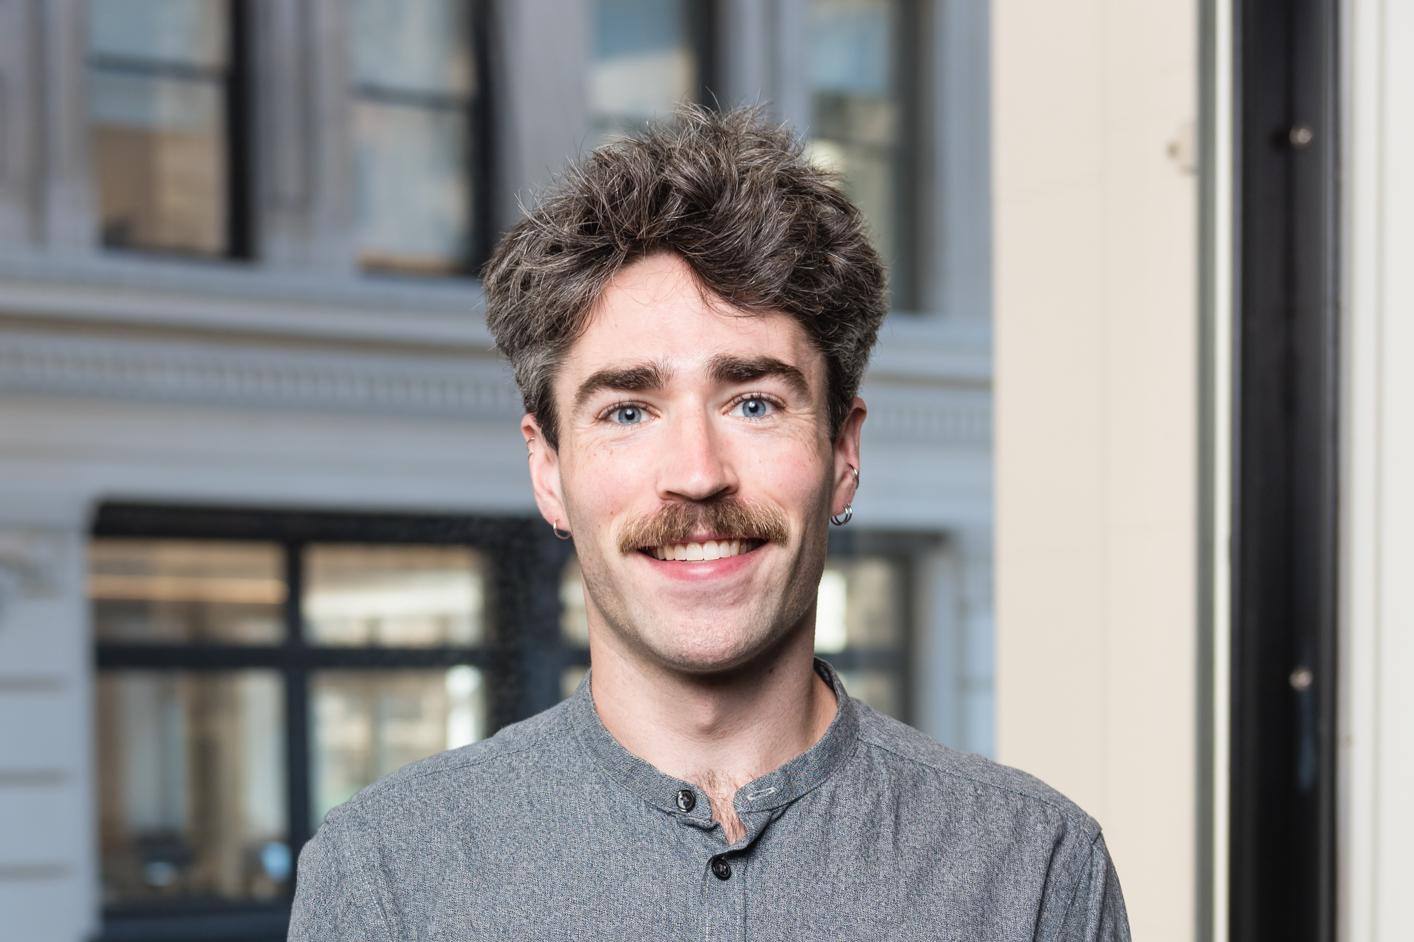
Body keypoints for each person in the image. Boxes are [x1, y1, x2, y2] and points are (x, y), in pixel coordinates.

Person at [288, 107, 1130, 941]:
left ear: (842, 450)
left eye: (754, 402)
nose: (697, 474)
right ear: (548, 471)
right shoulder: (387, 878)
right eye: (626, 411)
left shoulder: (1036, 869)